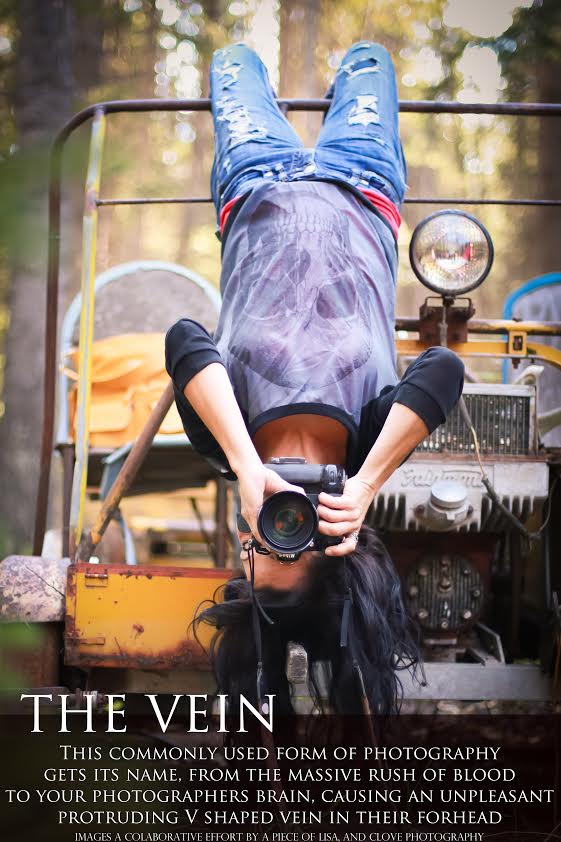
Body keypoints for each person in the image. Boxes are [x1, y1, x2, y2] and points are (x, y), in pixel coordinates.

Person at [165, 42, 464, 714]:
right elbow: (443, 369)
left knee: (233, 59)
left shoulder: (224, 440)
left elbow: (185, 339)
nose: (266, 521)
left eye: (252, 541)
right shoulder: (366, 446)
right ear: (325, 539)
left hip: (252, 182)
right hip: (363, 186)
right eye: (285, 533)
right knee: (369, 57)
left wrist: (243, 464)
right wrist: (361, 487)